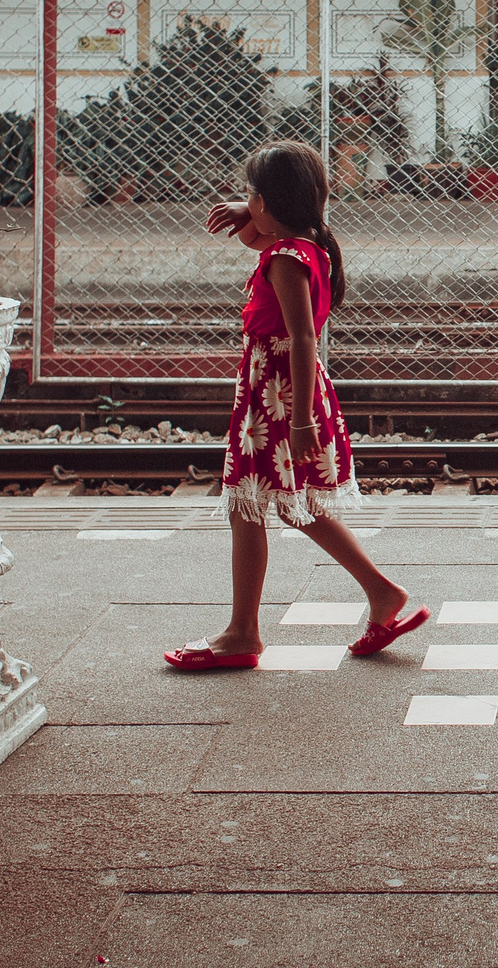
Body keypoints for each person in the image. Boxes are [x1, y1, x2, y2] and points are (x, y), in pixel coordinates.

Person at [164, 141, 426, 671]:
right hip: (280, 392)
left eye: (250, 195)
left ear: (269, 201)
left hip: (281, 396)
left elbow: (303, 337)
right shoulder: (308, 242)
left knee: (251, 503)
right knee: (284, 502)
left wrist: (302, 419)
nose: (244, 206)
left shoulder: (286, 259)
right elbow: (253, 238)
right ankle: (379, 594)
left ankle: (244, 632)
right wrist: (251, 209)